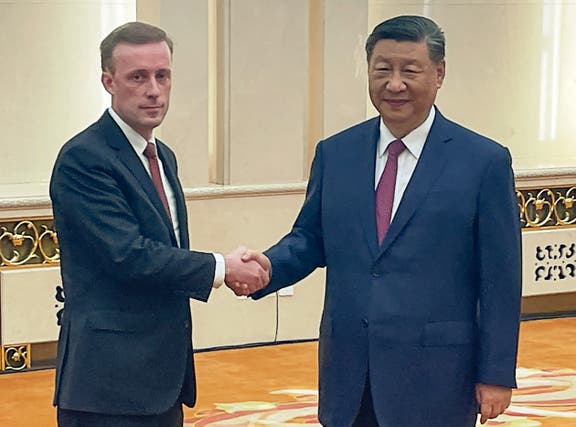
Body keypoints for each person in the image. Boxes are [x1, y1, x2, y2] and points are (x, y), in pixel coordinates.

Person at [244, 15, 522, 427]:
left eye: (409, 70)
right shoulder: (336, 153)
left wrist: (496, 373)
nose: (394, 84)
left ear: (439, 73)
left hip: (437, 377)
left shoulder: (483, 162)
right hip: (350, 373)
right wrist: (268, 268)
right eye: (382, 70)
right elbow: (311, 237)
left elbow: (500, 278)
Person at [49, 22, 268, 426]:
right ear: (108, 82)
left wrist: (224, 267)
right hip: (107, 386)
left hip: (161, 379)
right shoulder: (84, 158)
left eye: (162, 75)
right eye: (138, 77)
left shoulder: (162, 155)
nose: (153, 89)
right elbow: (127, 255)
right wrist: (222, 268)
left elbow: (168, 251)